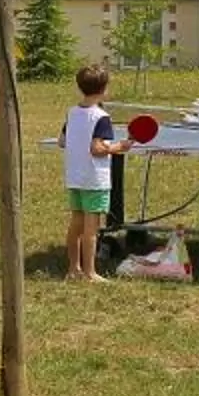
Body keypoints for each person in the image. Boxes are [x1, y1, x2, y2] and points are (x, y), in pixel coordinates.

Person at [61, 64, 122, 282]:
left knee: (75, 224)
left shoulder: (72, 112)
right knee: (91, 230)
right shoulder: (102, 117)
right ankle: (90, 272)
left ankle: (73, 269)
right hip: (94, 180)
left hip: (75, 177)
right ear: (104, 89)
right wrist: (118, 147)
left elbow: (62, 141)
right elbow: (97, 149)